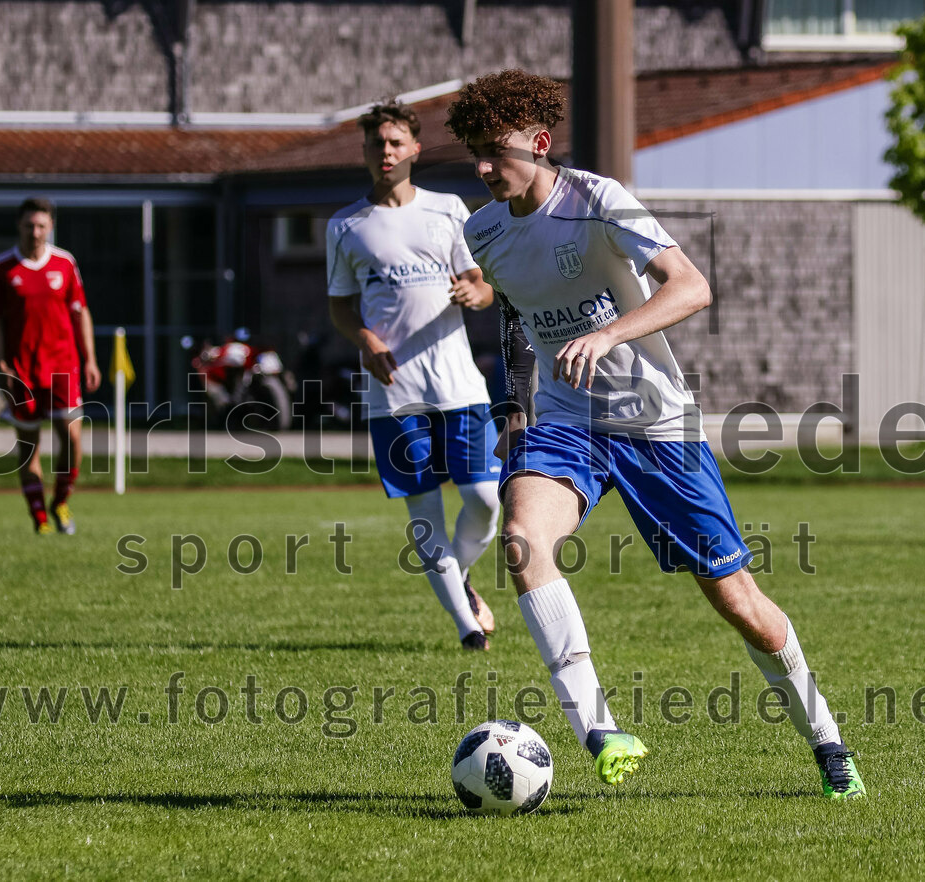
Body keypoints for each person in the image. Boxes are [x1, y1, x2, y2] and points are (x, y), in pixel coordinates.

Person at [446, 69, 865, 798]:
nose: (481, 168)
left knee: (742, 607)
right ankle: (599, 729)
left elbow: (691, 284)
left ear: (539, 145)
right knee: (521, 540)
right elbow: (515, 317)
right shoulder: (481, 229)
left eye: (494, 151)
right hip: (569, 424)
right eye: (472, 153)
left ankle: (826, 739)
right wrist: (515, 413)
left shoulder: (597, 200)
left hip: (658, 429)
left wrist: (609, 335)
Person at [327, 100, 502, 651]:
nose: (386, 151)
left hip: (458, 385)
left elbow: (480, 282)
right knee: (424, 512)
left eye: (396, 142)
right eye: (377, 143)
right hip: (394, 394)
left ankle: (463, 575)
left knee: (485, 500)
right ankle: (467, 626)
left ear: (415, 149)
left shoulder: (448, 209)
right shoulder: (345, 225)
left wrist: (478, 292)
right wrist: (367, 340)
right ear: (364, 152)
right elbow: (340, 307)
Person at [0, 197, 101, 535]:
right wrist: (3, 364)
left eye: (41, 226)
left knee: (73, 437)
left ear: (50, 227)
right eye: (28, 226)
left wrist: (90, 358)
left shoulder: (65, 263)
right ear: (18, 226)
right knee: (29, 444)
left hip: (64, 364)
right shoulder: (2, 268)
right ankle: (39, 517)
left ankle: (61, 501)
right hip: (23, 369)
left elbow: (81, 312)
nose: (34, 232)